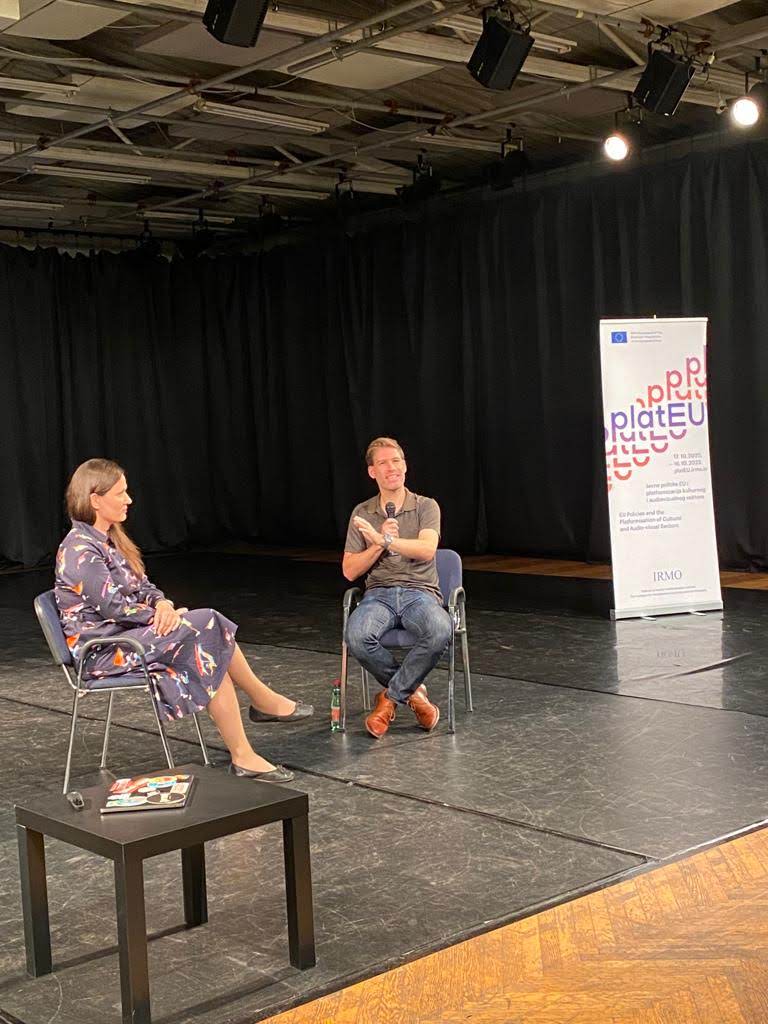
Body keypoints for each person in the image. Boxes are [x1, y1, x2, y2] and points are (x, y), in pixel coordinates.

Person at [55, 459, 313, 783]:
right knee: (207, 623)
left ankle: (245, 750)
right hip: (105, 651)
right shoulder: (79, 549)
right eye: (120, 493)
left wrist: (163, 604)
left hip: (133, 636)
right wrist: (161, 616)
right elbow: (114, 608)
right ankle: (260, 705)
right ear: (95, 499)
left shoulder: (110, 541)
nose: (129, 499)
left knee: (209, 644)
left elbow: (143, 587)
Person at [343, 437, 452, 738]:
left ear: (405, 466)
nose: (391, 467)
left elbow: (427, 550)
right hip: (379, 595)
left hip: (421, 593)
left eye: (396, 461)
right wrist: (378, 545)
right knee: (357, 635)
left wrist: (387, 540)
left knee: (440, 630)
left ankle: (390, 699)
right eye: (383, 463)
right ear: (372, 472)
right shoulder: (362, 512)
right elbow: (350, 570)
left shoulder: (425, 506)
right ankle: (414, 694)